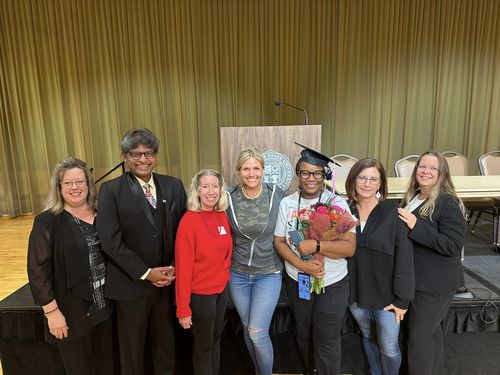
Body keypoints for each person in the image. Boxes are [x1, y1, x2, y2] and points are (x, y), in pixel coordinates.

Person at [97, 128, 187, 375]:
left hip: (167, 284)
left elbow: (185, 232)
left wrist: (172, 268)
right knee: (132, 350)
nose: (143, 160)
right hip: (131, 285)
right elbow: (109, 241)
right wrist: (147, 273)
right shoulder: (110, 190)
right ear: (125, 156)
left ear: (156, 155)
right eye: (135, 154)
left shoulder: (174, 186)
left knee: (165, 346)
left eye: (148, 153)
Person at [274, 145, 356, 375]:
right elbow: (279, 241)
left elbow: (349, 248)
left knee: (327, 340)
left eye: (317, 173)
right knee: (303, 334)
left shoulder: (337, 204)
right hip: (298, 281)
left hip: (332, 283)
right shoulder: (287, 203)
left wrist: (317, 245)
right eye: (305, 173)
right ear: (298, 175)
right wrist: (302, 265)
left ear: (325, 176)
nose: (311, 178)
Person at [27, 158, 114, 375]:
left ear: (88, 184)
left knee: (107, 367)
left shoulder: (103, 214)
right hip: (71, 312)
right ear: (59, 187)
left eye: (79, 181)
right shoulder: (47, 221)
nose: (75, 187)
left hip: (107, 309)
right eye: (68, 183)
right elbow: (37, 271)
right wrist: (52, 313)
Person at [397, 151, 466, 375]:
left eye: (432, 168)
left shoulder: (447, 202)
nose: (426, 171)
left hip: (435, 284)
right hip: (418, 280)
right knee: (430, 335)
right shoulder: (414, 197)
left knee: (418, 340)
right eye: (422, 166)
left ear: (441, 173)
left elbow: (453, 245)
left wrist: (417, 226)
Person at [345, 158, 414, 375]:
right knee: (368, 336)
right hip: (356, 292)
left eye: (373, 179)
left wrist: (402, 299)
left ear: (380, 184)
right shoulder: (343, 211)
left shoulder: (393, 213)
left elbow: (404, 259)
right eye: (362, 178)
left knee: (389, 346)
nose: (367, 183)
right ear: (354, 181)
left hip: (387, 297)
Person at [226, 147, 285, 375]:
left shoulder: (276, 194)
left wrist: (309, 253)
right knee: (246, 328)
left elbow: (292, 227)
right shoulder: (228, 197)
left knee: (257, 332)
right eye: (246, 169)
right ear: (238, 171)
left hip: (268, 273)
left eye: (256, 168)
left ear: (263, 169)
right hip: (237, 274)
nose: (252, 173)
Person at [175, 169, 233, 375]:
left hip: (220, 292)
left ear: (221, 190)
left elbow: (226, 254)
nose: (211, 191)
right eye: (205, 187)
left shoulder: (221, 216)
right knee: (203, 347)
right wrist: (183, 308)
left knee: (216, 341)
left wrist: (223, 276)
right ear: (197, 191)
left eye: (215, 186)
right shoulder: (189, 221)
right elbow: (183, 267)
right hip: (200, 296)